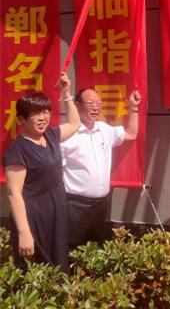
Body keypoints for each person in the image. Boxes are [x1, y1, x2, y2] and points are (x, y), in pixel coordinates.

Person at [3, 73, 80, 271]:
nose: (43, 117)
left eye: (46, 112)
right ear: (22, 118)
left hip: (56, 211)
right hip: (34, 217)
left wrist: (66, 93)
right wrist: (24, 233)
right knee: (36, 269)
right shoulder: (18, 150)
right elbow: (14, 194)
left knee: (58, 265)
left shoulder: (51, 135)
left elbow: (74, 124)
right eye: (36, 113)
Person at [60, 87, 141, 247]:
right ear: (77, 105)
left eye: (99, 103)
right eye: (90, 103)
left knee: (97, 249)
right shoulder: (66, 135)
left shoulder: (104, 129)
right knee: (72, 248)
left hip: (101, 204)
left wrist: (133, 107)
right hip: (75, 206)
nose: (96, 107)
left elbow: (131, 133)